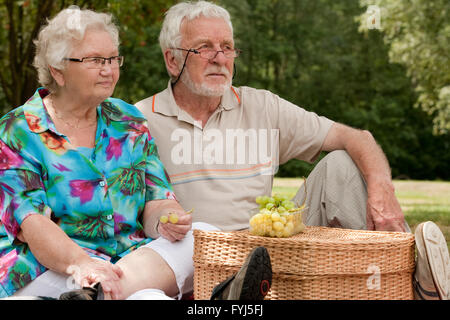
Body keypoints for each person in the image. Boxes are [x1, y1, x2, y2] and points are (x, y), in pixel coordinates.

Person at [135, 0, 449, 300]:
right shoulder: (137, 121)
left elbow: (358, 137)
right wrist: (161, 223)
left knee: (342, 163)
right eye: (204, 47)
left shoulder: (261, 106)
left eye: (227, 47)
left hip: (272, 249)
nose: (220, 57)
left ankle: (411, 272)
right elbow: (130, 209)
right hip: (197, 256)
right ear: (172, 60)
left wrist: (382, 189)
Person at [0, 6, 272, 301]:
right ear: (57, 70)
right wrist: (84, 264)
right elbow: (32, 225)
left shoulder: (128, 120)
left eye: (113, 58)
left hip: (126, 262)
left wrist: (168, 220)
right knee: (147, 296)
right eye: (95, 60)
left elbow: (157, 199)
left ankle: (98, 295)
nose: (108, 69)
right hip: (53, 267)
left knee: (202, 234)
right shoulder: (17, 130)